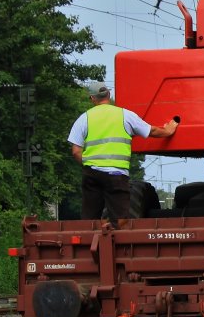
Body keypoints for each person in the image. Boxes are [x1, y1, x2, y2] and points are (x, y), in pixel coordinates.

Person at [68, 81, 178, 222]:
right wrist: (168, 131)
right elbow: (152, 130)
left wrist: (90, 166)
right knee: (120, 221)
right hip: (117, 175)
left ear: (92, 98)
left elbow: (76, 151)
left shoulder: (84, 119)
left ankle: (90, 241)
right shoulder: (125, 115)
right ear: (109, 94)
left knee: (90, 220)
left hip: (92, 174)